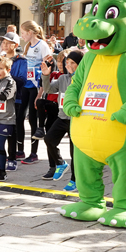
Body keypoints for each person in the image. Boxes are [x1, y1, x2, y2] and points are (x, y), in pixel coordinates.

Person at [42, 50, 82, 188]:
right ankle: (60, 163)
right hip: (62, 117)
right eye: (67, 62)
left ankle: (74, 180)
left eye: (73, 63)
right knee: (49, 139)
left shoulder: (84, 79)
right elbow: (48, 90)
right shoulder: (63, 78)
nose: (69, 65)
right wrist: (46, 75)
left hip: (76, 120)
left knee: (74, 152)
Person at [19, 20, 51, 164]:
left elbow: (46, 69)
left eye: (23, 33)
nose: (22, 35)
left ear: (30, 32)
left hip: (36, 87)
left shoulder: (42, 45)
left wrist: (40, 93)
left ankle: (34, 153)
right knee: (19, 116)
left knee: (33, 119)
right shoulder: (27, 46)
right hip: (26, 84)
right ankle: (20, 150)